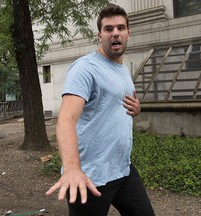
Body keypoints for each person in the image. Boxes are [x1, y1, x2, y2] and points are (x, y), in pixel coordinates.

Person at [46, 4, 155, 216]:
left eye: (121, 28)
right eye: (109, 29)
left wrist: (137, 109)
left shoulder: (122, 68)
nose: (115, 33)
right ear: (100, 35)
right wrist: (71, 168)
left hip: (122, 170)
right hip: (90, 178)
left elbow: (115, 103)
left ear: (128, 33)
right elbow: (66, 119)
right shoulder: (85, 69)